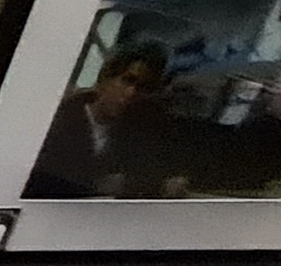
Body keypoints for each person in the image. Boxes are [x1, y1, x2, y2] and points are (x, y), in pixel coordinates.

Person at [28, 42, 185, 199]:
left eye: (144, 88)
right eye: (127, 80)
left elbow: (150, 173)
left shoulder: (136, 134)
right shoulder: (56, 121)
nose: (131, 92)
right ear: (106, 78)